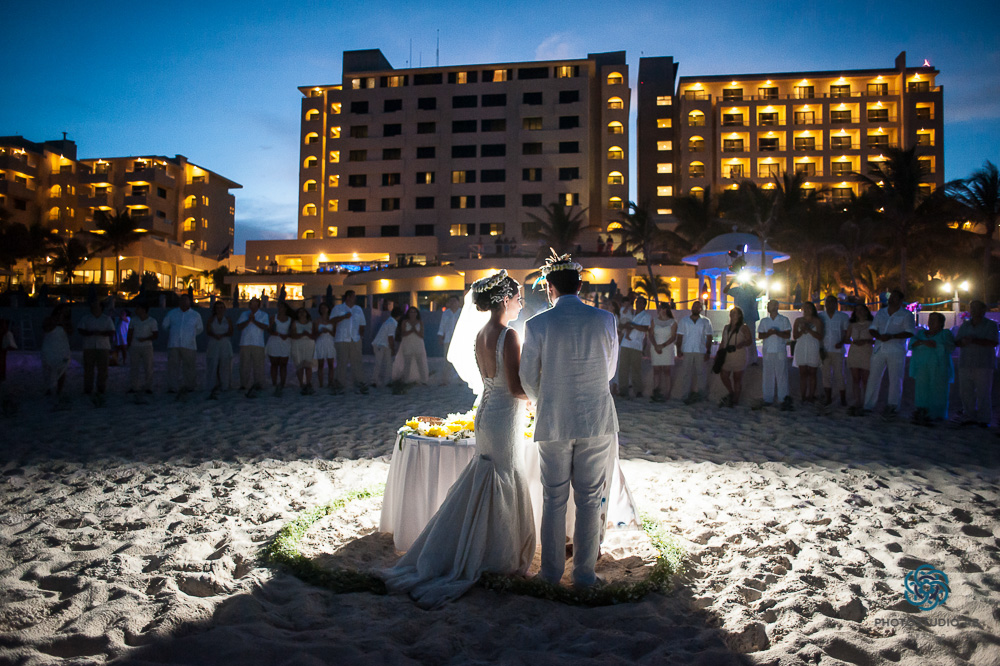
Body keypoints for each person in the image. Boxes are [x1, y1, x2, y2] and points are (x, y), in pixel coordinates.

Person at [384, 271, 534, 608]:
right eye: (518, 299)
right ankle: (496, 554)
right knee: (504, 476)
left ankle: (479, 546)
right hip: (504, 417)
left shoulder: (481, 333)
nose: (521, 304)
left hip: (487, 413)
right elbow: (515, 388)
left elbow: (494, 381)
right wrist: (540, 393)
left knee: (489, 474)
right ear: (504, 300)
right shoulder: (509, 335)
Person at [520, 254, 619, 589]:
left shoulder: (537, 325)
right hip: (596, 418)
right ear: (580, 286)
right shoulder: (605, 319)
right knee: (589, 500)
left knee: (554, 499)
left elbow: (527, 377)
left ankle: (550, 575)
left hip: (554, 420)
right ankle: (584, 575)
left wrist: (546, 400)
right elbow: (610, 371)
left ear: (550, 288)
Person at [863, 289, 915, 418]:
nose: (891, 299)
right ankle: (868, 405)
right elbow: (872, 328)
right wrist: (879, 336)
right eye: (891, 297)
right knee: (873, 377)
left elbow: (910, 332)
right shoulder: (881, 312)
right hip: (879, 348)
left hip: (896, 350)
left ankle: (893, 406)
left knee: (895, 378)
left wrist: (892, 336)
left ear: (901, 300)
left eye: (894, 297)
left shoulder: (906, 314)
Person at [955, 300, 998, 427]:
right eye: (972, 308)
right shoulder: (965, 325)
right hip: (965, 362)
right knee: (966, 391)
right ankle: (969, 415)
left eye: (976, 308)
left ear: (983, 310)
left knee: (983, 392)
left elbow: (993, 342)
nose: (973, 310)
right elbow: (957, 342)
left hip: (983, 363)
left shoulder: (991, 325)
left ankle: (984, 418)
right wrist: (962, 342)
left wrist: (974, 340)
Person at [909, 312, 956, 424]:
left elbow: (950, 347)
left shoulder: (945, 334)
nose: (931, 322)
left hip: (939, 366)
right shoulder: (921, 333)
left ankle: (936, 414)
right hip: (922, 365)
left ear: (941, 323)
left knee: (938, 389)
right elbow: (912, 344)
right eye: (930, 319)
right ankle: (922, 410)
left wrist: (935, 345)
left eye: (934, 320)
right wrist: (922, 342)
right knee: (921, 388)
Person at [161, 294, 204, 397]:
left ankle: (190, 386)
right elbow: (165, 326)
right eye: (182, 300)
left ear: (189, 302)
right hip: (174, 344)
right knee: (173, 366)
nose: (184, 302)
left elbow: (200, 329)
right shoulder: (172, 313)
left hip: (189, 345)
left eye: (186, 300)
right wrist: (174, 334)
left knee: (189, 366)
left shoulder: (195, 315)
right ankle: (172, 387)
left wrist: (189, 336)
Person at [675, 300, 714, 404]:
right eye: (694, 306)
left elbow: (709, 337)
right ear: (691, 308)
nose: (696, 308)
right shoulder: (684, 320)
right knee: (686, 373)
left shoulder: (706, 321)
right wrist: (678, 349)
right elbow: (680, 335)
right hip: (687, 349)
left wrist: (708, 351)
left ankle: (702, 395)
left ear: (701, 309)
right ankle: (685, 395)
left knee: (701, 373)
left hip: (700, 350)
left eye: (698, 307)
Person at [78, 301, 116, 405]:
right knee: (88, 368)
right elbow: (80, 330)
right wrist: (90, 333)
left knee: (102, 369)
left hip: (103, 346)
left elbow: (112, 331)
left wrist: (101, 333)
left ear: (101, 308)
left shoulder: (106, 319)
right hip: (89, 346)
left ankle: (101, 388)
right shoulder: (86, 318)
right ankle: (88, 388)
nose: (94, 308)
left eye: (96, 306)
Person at [758, 300, 792, 410]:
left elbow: (787, 335)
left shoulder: (784, 320)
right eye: (768, 305)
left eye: (771, 305)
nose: (768, 307)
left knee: (782, 375)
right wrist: (768, 333)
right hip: (768, 351)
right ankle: (768, 398)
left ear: (776, 306)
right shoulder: (764, 321)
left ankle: (783, 398)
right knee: (767, 375)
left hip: (779, 350)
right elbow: (760, 335)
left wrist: (777, 332)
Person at [331, 290, 367, 393]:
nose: (355, 298)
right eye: (354, 296)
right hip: (342, 339)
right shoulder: (338, 308)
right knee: (342, 362)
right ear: (348, 297)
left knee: (357, 361)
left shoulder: (358, 309)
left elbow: (362, 324)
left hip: (355, 339)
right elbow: (332, 320)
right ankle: (339, 383)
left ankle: (359, 382)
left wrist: (360, 336)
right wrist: (343, 317)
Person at [818, 295, 851, 407]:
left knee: (840, 375)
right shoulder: (820, 316)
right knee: (826, 375)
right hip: (824, 349)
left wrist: (842, 342)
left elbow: (847, 332)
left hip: (838, 350)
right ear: (825, 303)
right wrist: (820, 348)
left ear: (836, 304)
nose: (830, 304)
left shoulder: (843, 316)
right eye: (828, 302)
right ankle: (828, 398)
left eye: (832, 302)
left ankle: (843, 399)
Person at [718, 306, 753, 407]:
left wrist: (742, 344)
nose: (732, 315)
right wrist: (719, 353)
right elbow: (723, 341)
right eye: (732, 313)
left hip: (739, 354)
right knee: (724, 375)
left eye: (735, 313)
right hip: (727, 355)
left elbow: (749, 341)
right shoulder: (726, 327)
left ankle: (735, 399)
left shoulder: (744, 327)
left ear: (739, 315)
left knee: (737, 378)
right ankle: (731, 392)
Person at [236, 297, 269, 398]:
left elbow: (265, 326)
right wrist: (248, 320)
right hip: (245, 343)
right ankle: (243, 384)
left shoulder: (263, 315)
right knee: (244, 365)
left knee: (258, 365)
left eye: (254, 303)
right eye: (251, 303)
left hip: (258, 343)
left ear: (258, 305)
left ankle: (258, 383)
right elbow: (239, 327)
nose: (252, 305)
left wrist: (254, 321)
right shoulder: (244, 314)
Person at [618, 295, 650, 398]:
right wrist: (628, 325)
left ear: (644, 304)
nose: (637, 304)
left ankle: (638, 390)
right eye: (636, 302)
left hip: (636, 344)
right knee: (623, 368)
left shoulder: (646, 316)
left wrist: (632, 325)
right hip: (625, 343)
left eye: (639, 302)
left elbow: (645, 328)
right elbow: (622, 324)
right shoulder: (631, 313)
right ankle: (623, 390)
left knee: (636, 368)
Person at [846, 304, 875, 415]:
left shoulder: (872, 324)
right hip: (855, 351)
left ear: (866, 311)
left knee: (866, 379)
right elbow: (846, 338)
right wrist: (853, 342)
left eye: (862, 310)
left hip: (866, 351)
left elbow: (877, 338)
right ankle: (857, 401)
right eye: (857, 310)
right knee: (855, 378)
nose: (860, 312)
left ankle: (866, 401)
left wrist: (867, 341)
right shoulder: (852, 325)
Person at [793, 301, 824, 404]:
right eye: (804, 308)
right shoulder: (798, 321)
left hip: (813, 347)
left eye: (808, 308)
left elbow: (820, 336)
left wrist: (809, 330)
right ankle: (803, 395)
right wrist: (802, 330)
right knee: (802, 373)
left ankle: (811, 395)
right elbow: (795, 336)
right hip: (801, 347)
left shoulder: (817, 321)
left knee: (812, 373)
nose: (806, 310)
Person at [40, 306, 72, 407]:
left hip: (62, 347)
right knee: (49, 368)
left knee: (62, 368)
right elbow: (46, 329)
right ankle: (49, 388)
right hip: (50, 346)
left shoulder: (66, 322)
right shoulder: (49, 320)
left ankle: (59, 390)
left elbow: (70, 331)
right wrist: (56, 321)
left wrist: (63, 323)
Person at [723, 279, 762, 362]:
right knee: (738, 337)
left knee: (751, 337)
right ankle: (738, 357)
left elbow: (760, 289)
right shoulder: (737, 290)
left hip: (750, 316)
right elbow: (725, 291)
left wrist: (752, 280)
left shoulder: (752, 289)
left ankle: (753, 359)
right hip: (739, 316)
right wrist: (731, 282)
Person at [648, 301, 677, 402]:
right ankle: (656, 391)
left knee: (666, 370)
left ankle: (667, 393)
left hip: (667, 347)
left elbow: (673, 337)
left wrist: (663, 345)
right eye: (661, 308)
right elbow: (651, 334)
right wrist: (656, 346)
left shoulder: (673, 322)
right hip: (655, 346)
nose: (663, 311)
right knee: (656, 370)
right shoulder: (654, 321)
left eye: (665, 309)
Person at [392, 306, 429, 384]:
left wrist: (415, 330)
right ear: (408, 313)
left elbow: (422, 335)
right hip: (407, 343)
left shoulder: (420, 322)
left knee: (420, 362)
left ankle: (423, 380)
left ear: (417, 313)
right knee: (407, 363)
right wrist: (411, 330)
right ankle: (406, 380)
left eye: (414, 312)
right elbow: (403, 333)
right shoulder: (405, 322)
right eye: (411, 312)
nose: (413, 314)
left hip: (417, 343)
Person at [127, 303, 158, 396]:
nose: (136, 311)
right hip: (135, 346)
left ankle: (148, 386)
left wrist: (145, 339)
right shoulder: (133, 320)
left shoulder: (152, 321)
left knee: (148, 367)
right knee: (134, 367)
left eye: (138, 308)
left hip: (147, 346)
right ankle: (134, 386)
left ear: (144, 310)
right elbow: (130, 333)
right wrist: (129, 344)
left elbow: (155, 335)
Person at [205, 301, 233, 397]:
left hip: (224, 342)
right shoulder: (211, 319)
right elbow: (208, 331)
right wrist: (215, 335)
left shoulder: (227, 319)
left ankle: (225, 384)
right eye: (218, 308)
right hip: (214, 342)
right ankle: (213, 384)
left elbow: (231, 331)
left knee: (225, 364)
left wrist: (223, 335)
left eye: (221, 307)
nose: (220, 310)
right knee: (213, 364)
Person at [265, 302, 292, 397]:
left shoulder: (290, 319)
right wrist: (274, 332)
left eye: (282, 307)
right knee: (274, 364)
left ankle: (282, 383)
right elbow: (268, 329)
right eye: (279, 307)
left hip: (285, 341)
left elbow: (292, 330)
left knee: (283, 364)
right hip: (275, 341)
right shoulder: (273, 317)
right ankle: (274, 382)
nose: (280, 309)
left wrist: (287, 335)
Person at [372, 306, 402, 388]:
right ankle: (380, 381)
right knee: (384, 363)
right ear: (399, 316)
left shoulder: (389, 321)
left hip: (382, 344)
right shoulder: (392, 323)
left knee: (383, 363)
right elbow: (390, 337)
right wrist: (393, 349)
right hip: (381, 344)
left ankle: (378, 380)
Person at [290, 307, 316, 395]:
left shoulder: (311, 323)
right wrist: (302, 334)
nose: (301, 313)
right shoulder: (295, 323)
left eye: (303, 312)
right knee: (300, 365)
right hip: (298, 344)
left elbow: (314, 335)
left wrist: (307, 334)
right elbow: (292, 335)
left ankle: (308, 383)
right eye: (300, 312)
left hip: (309, 344)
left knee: (308, 365)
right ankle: (301, 383)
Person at [437, 296, 461, 385]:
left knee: (461, 359)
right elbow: (442, 326)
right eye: (451, 301)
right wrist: (440, 337)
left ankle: (461, 379)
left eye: (454, 301)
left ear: (458, 302)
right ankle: (445, 380)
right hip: (448, 340)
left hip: (459, 340)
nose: (452, 303)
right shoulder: (446, 313)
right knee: (447, 360)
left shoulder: (462, 312)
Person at [312, 302, 336, 389]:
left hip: (330, 341)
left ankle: (330, 382)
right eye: (321, 308)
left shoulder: (332, 320)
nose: (323, 309)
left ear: (328, 309)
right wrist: (321, 331)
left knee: (331, 364)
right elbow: (314, 334)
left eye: (325, 307)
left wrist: (328, 330)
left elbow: (334, 334)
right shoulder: (316, 321)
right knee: (321, 364)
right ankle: (321, 383)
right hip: (321, 341)